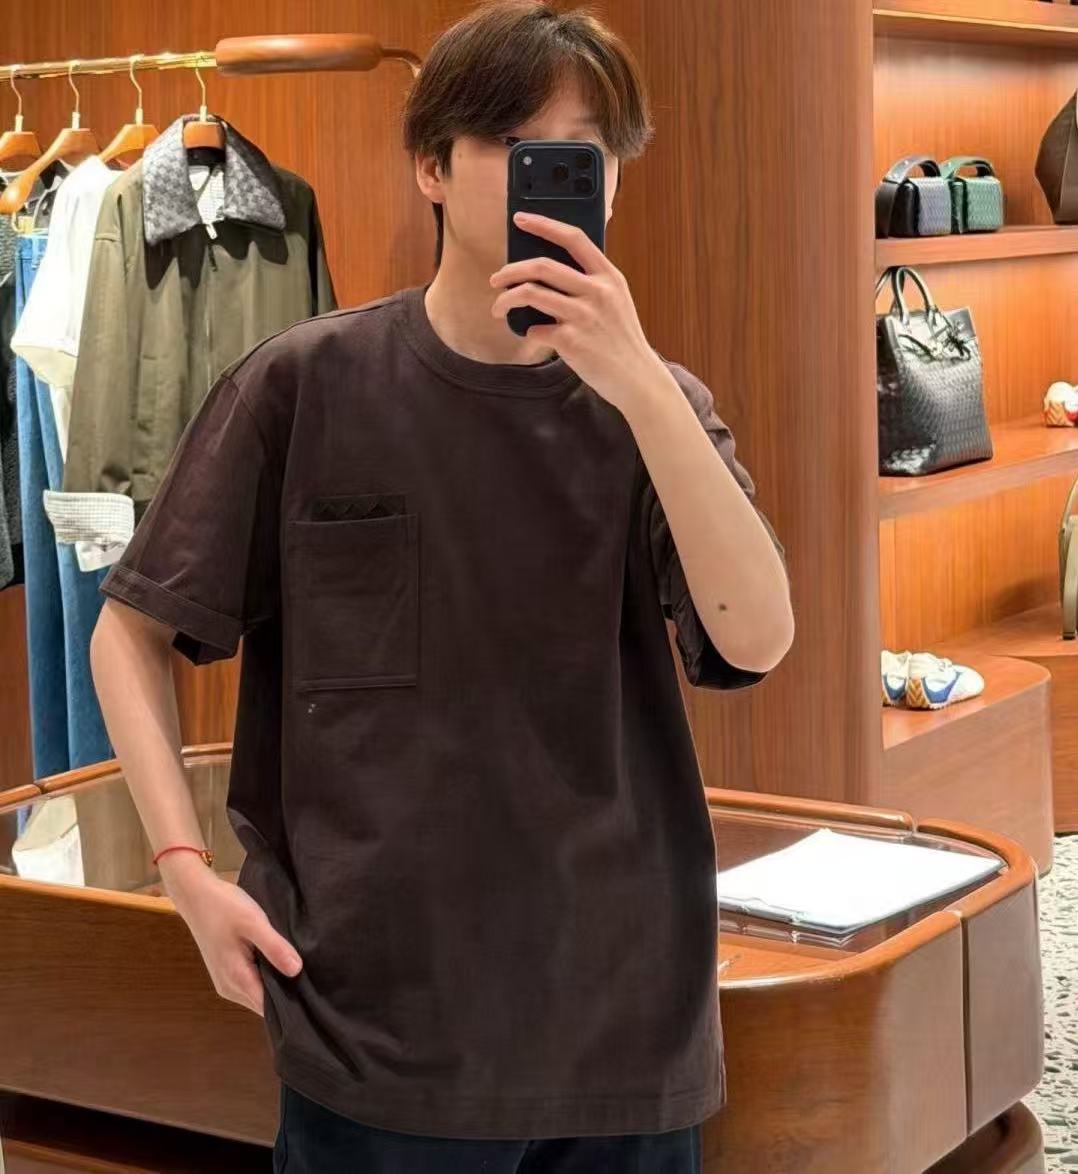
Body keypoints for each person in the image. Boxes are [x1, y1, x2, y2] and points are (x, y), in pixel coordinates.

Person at [89, 2, 794, 1171]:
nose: (557, 181)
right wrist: (183, 873)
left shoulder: (657, 409)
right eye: (518, 147)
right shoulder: (306, 385)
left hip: (624, 1021)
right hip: (375, 1026)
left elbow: (757, 639)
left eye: (587, 155)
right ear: (430, 166)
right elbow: (129, 632)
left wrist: (640, 386)